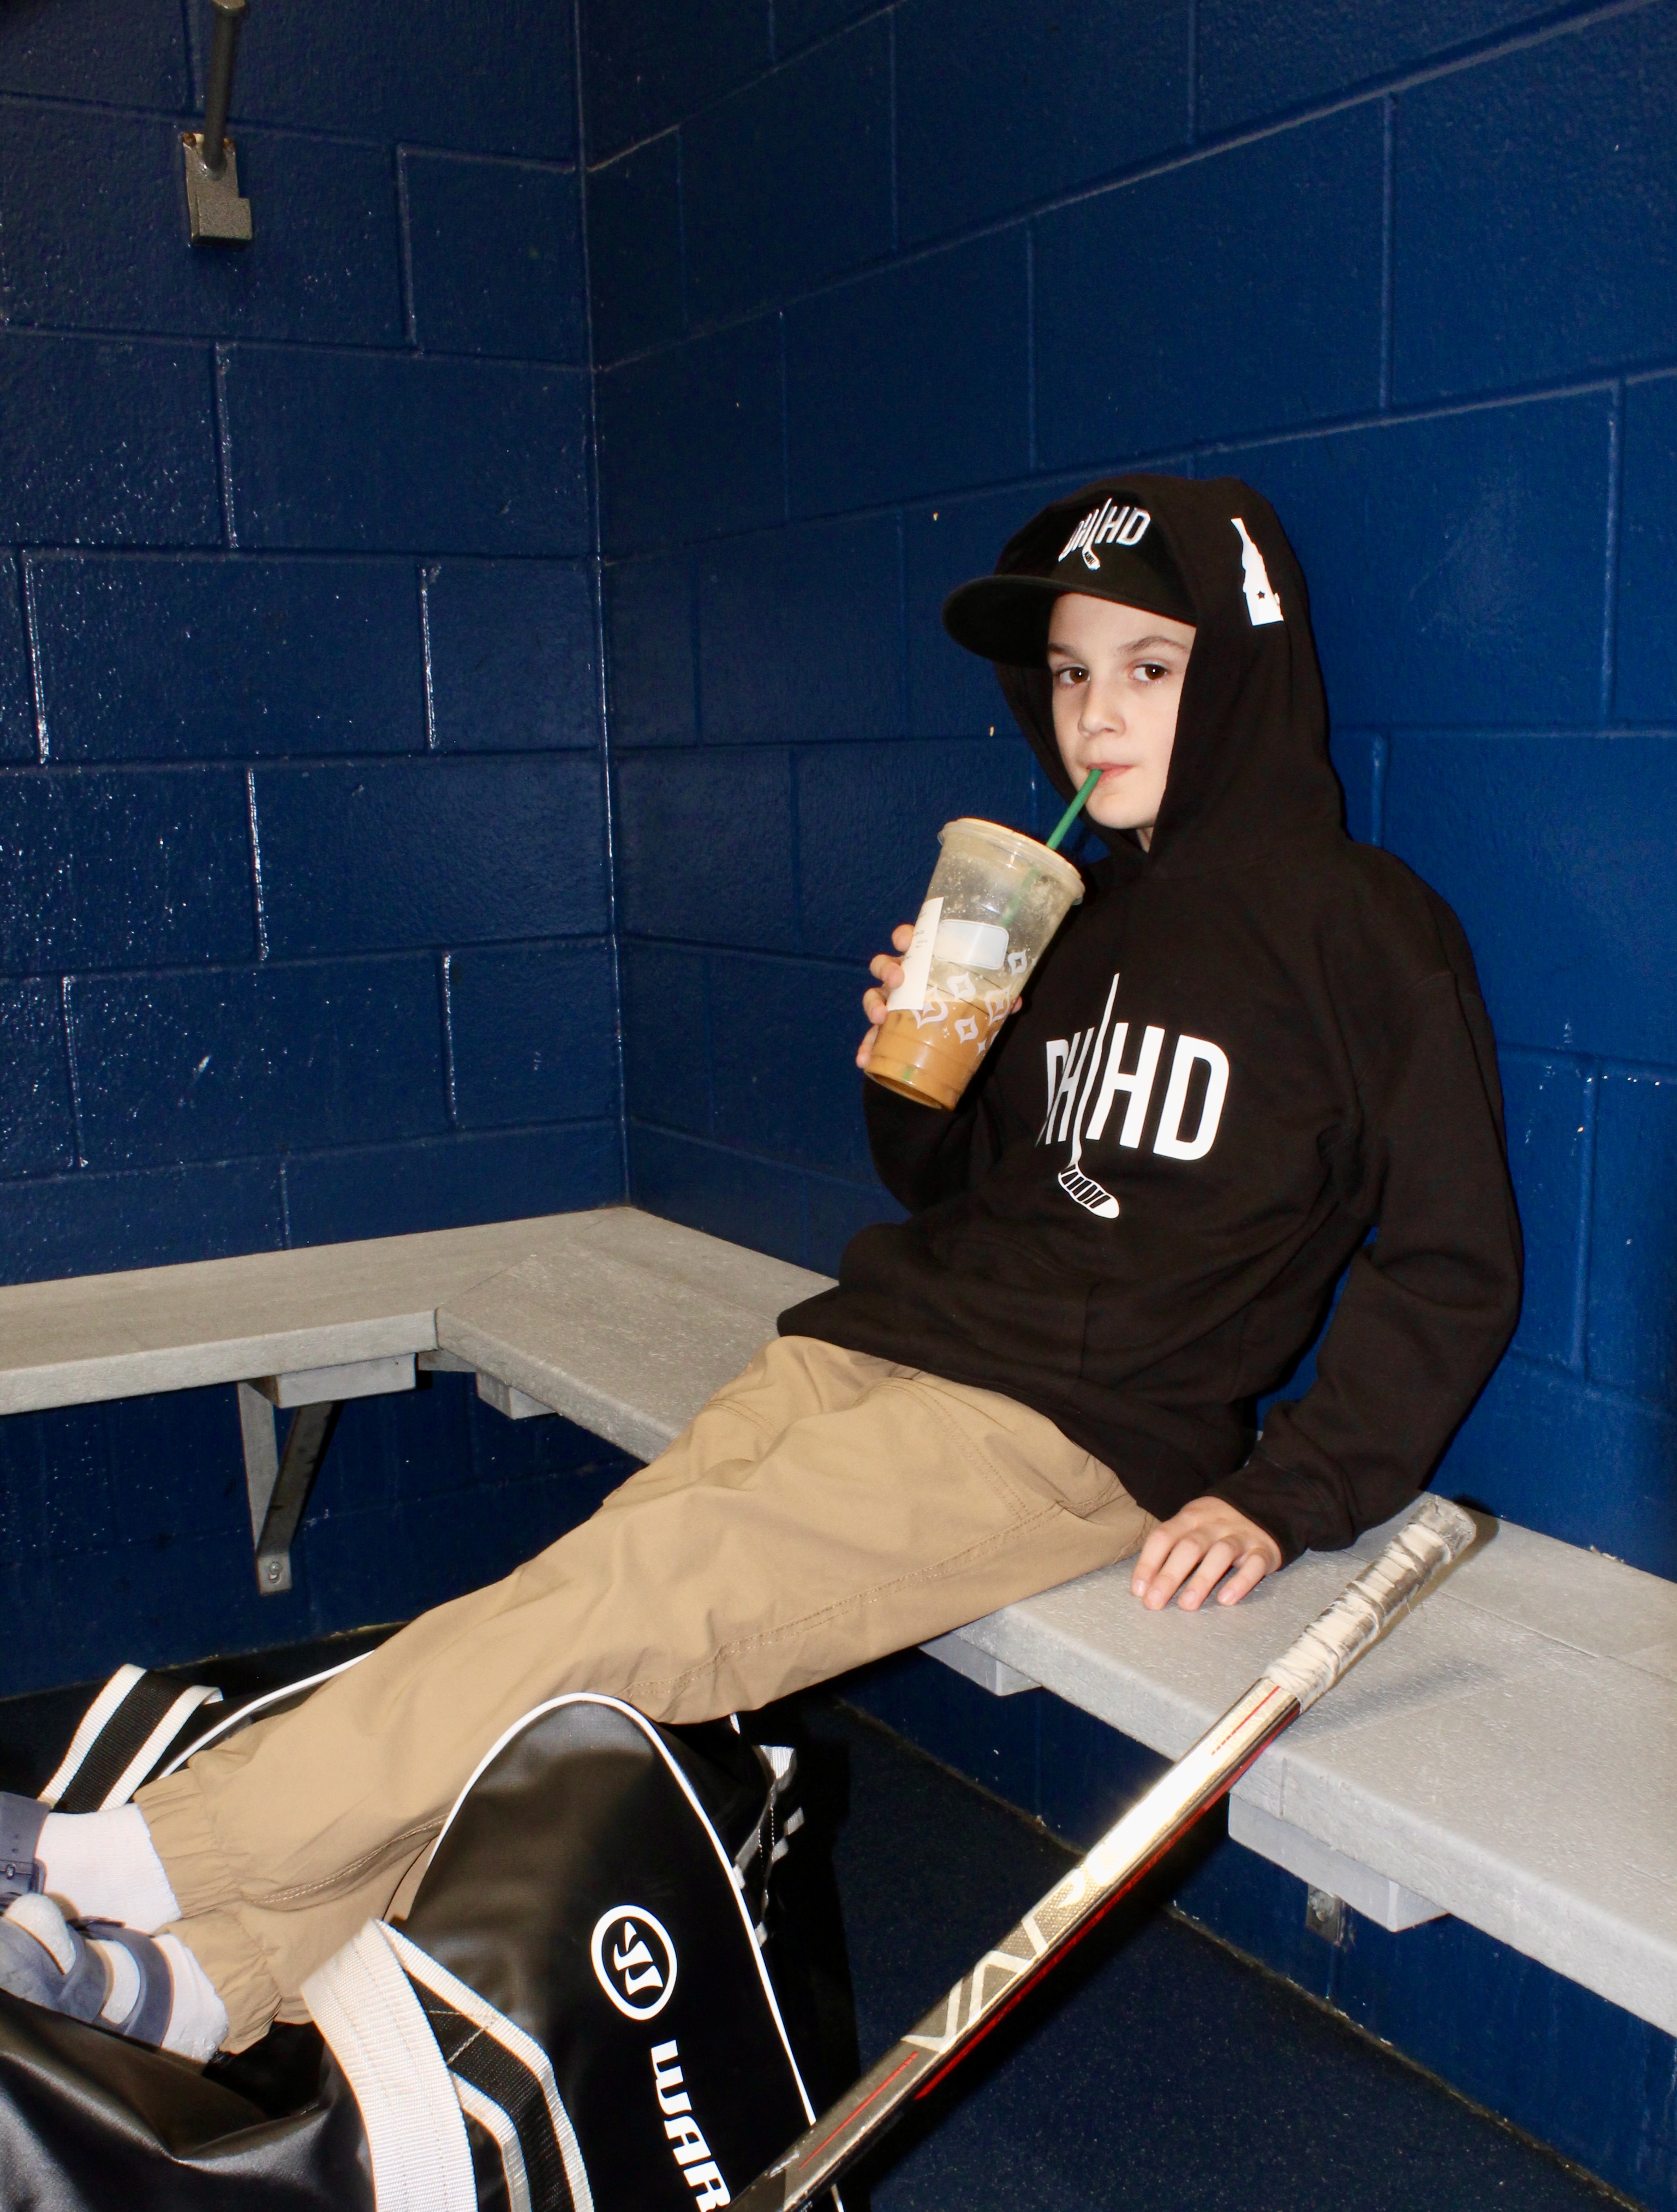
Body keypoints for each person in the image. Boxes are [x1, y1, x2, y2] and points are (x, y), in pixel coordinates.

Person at [0, 474, 1522, 2063]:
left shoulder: (1363, 926)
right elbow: (958, 1188)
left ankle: (150, 1856)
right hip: (871, 1343)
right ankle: (212, 1979)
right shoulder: (1064, 908)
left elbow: (1452, 1255)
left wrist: (1291, 1491)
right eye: (1071, 672)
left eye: (1150, 666)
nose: (1095, 713)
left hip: (1064, 1427)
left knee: (615, 1613)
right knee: (569, 1623)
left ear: (1245, 670)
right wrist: (918, 1071)